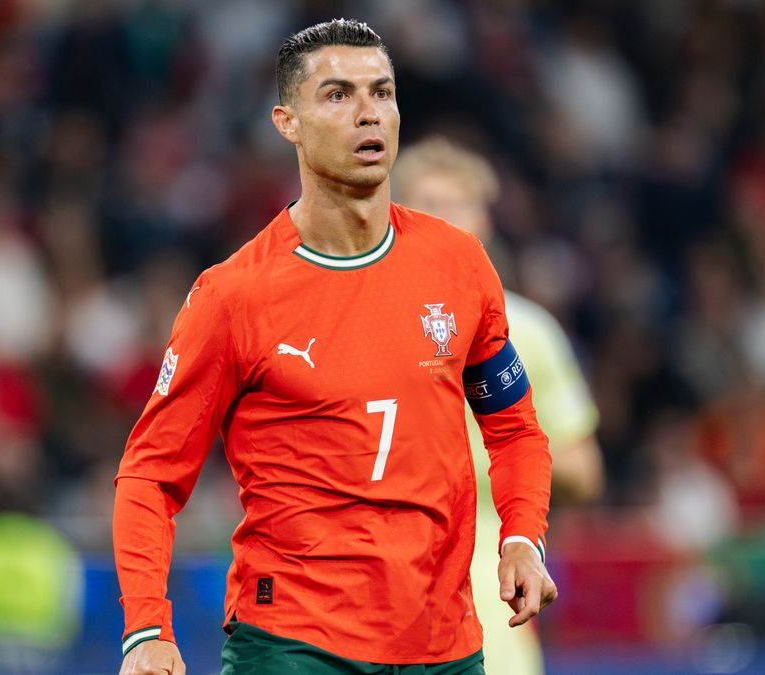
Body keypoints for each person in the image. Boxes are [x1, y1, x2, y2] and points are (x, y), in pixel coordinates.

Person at [114, 19, 558, 675]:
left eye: (382, 92)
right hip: (296, 644)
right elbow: (151, 474)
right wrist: (146, 626)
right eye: (338, 95)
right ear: (286, 121)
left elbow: (514, 426)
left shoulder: (460, 265)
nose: (368, 113)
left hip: (446, 646)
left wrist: (522, 536)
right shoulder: (233, 296)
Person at [394, 137, 604, 675]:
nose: (447, 219)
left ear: (485, 220)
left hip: (487, 580)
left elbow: (583, 468)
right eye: (429, 203)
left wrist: (508, 468)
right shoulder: (367, 321)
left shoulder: (524, 332)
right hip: (377, 583)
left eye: (459, 204)